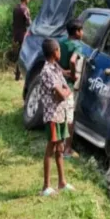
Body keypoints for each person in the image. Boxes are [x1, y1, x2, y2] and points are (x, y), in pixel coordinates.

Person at [38, 39, 74, 196]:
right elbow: (61, 94)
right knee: (50, 149)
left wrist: (64, 92)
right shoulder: (47, 71)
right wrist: (65, 93)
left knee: (60, 148)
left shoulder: (56, 68)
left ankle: (62, 182)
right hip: (52, 115)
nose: (61, 52)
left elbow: (65, 88)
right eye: (59, 50)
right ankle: (46, 186)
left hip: (60, 114)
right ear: (54, 52)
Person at [59, 19, 84, 159]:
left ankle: (56, 143)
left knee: (59, 114)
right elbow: (73, 60)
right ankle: (67, 148)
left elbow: (55, 60)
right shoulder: (77, 45)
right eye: (82, 30)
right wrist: (73, 75)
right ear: (77, 32)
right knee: (69, 117)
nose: (83, 33)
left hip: (59, 81)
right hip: (69, 85)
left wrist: (62, 71)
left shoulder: (62, 42)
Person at [12, 0, 31, 81]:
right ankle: (21, 74)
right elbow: (28, 23)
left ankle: (18, 74)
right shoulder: (25, 9)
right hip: (24, 35)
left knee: (21, 53)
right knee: (25, 54)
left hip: (17, 35)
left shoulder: (16, 8)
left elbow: (14, 23)